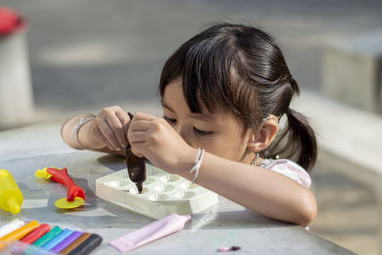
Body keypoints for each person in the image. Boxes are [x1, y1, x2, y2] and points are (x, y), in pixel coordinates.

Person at [61, 23, 318, 227]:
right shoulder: (168, 147)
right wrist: (94, 131)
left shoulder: (278, 175)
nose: (177, 137)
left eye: (202, 130)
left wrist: (188, 161)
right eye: (170, 117)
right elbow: (69, 131)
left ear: (260, 134)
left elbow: (302, 206)